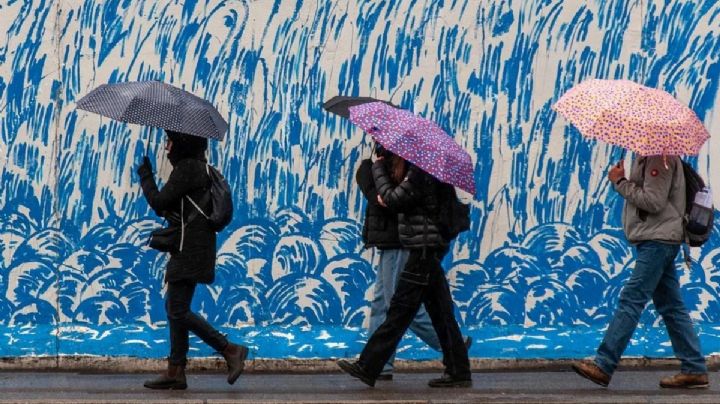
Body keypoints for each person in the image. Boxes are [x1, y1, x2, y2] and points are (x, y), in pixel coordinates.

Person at [572, 156, 708, 389]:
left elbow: (653, 202)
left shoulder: (658, 159)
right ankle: (694, 368)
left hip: (658, 241)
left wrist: (620, 182)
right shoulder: (651, 158)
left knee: (632, 299)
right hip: (658, 239)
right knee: (671, 307)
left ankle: (604, 364)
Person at [339, 153, 471, 388]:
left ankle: (369, 366)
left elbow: (392, 198)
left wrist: (376, 168)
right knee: (439, 310)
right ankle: (458, 368)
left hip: (421, 248)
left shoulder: (419, 172)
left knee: (399, 309)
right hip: (426, 247)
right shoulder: (426, 170)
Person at [137, 130, 249, 390]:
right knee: (175, 308)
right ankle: (175, 371)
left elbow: (159, 201)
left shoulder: (187, 169)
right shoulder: (200, 169)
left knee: (177, 310)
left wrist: (146, 176)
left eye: (170, 141)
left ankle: (230, 349)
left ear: (183, 144)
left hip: (189, 248)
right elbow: (177, 206)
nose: (167, 147)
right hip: (195, 246)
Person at [355, 144, 444, 381]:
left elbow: (390, 200)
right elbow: (371, 191)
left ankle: (450, 346)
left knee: (400, 304)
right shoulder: (376, 168)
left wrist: (376, 177)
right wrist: (373, 172)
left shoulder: (410, 171)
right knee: (380, 305)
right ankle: (378, 364)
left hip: (401, 241)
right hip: (387, 241)